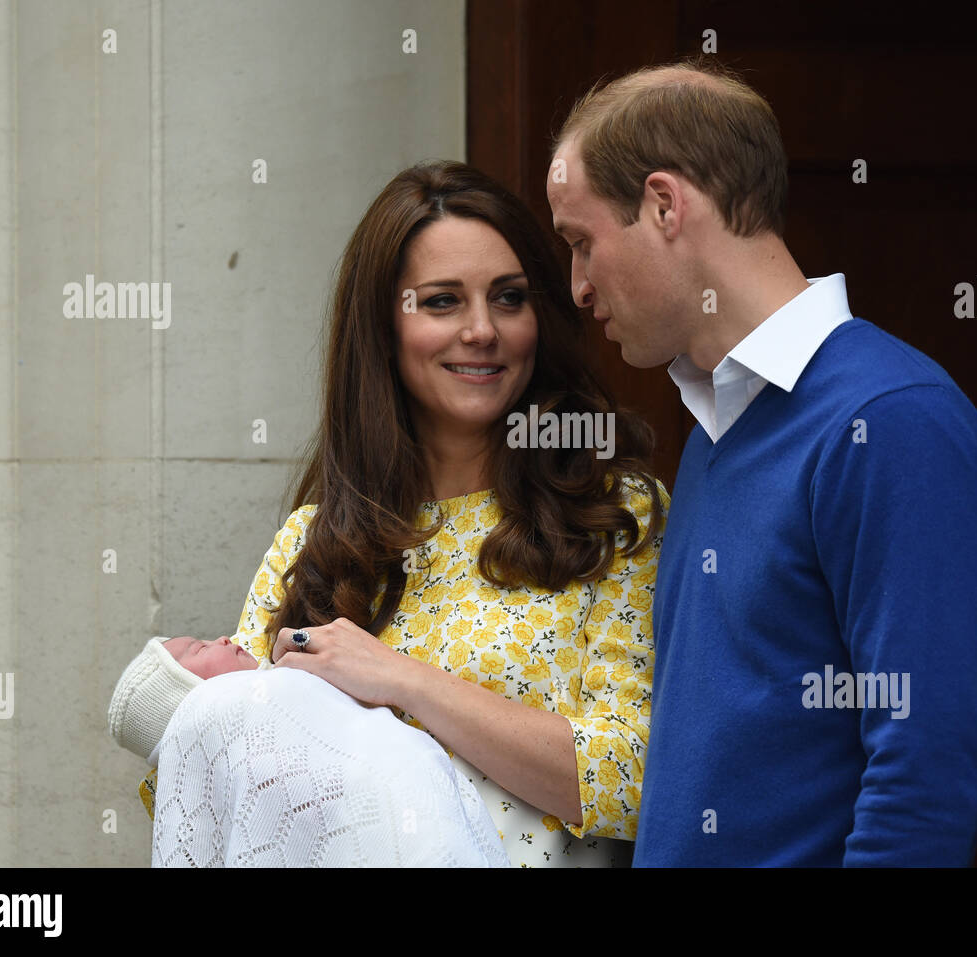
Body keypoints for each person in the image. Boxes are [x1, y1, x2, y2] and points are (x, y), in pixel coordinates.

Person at [137, 160, 669, 867]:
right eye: (443, 301)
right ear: (384, 327)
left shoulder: (614, 516)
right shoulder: (316, 540)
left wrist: (402, 679)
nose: (482, 330)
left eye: (509, 298)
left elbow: (635, 779)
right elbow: (226, 765)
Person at [546, 57, 977, 866]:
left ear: (662, 205)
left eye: (583, 243)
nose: (579, 287)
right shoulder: (716, 428)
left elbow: (928, 777)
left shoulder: (890, 421)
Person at [107, 636, 510, 867]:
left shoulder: (284, 687)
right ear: (189, 702)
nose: (224, 638)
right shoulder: (226, 713)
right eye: (199, 648)